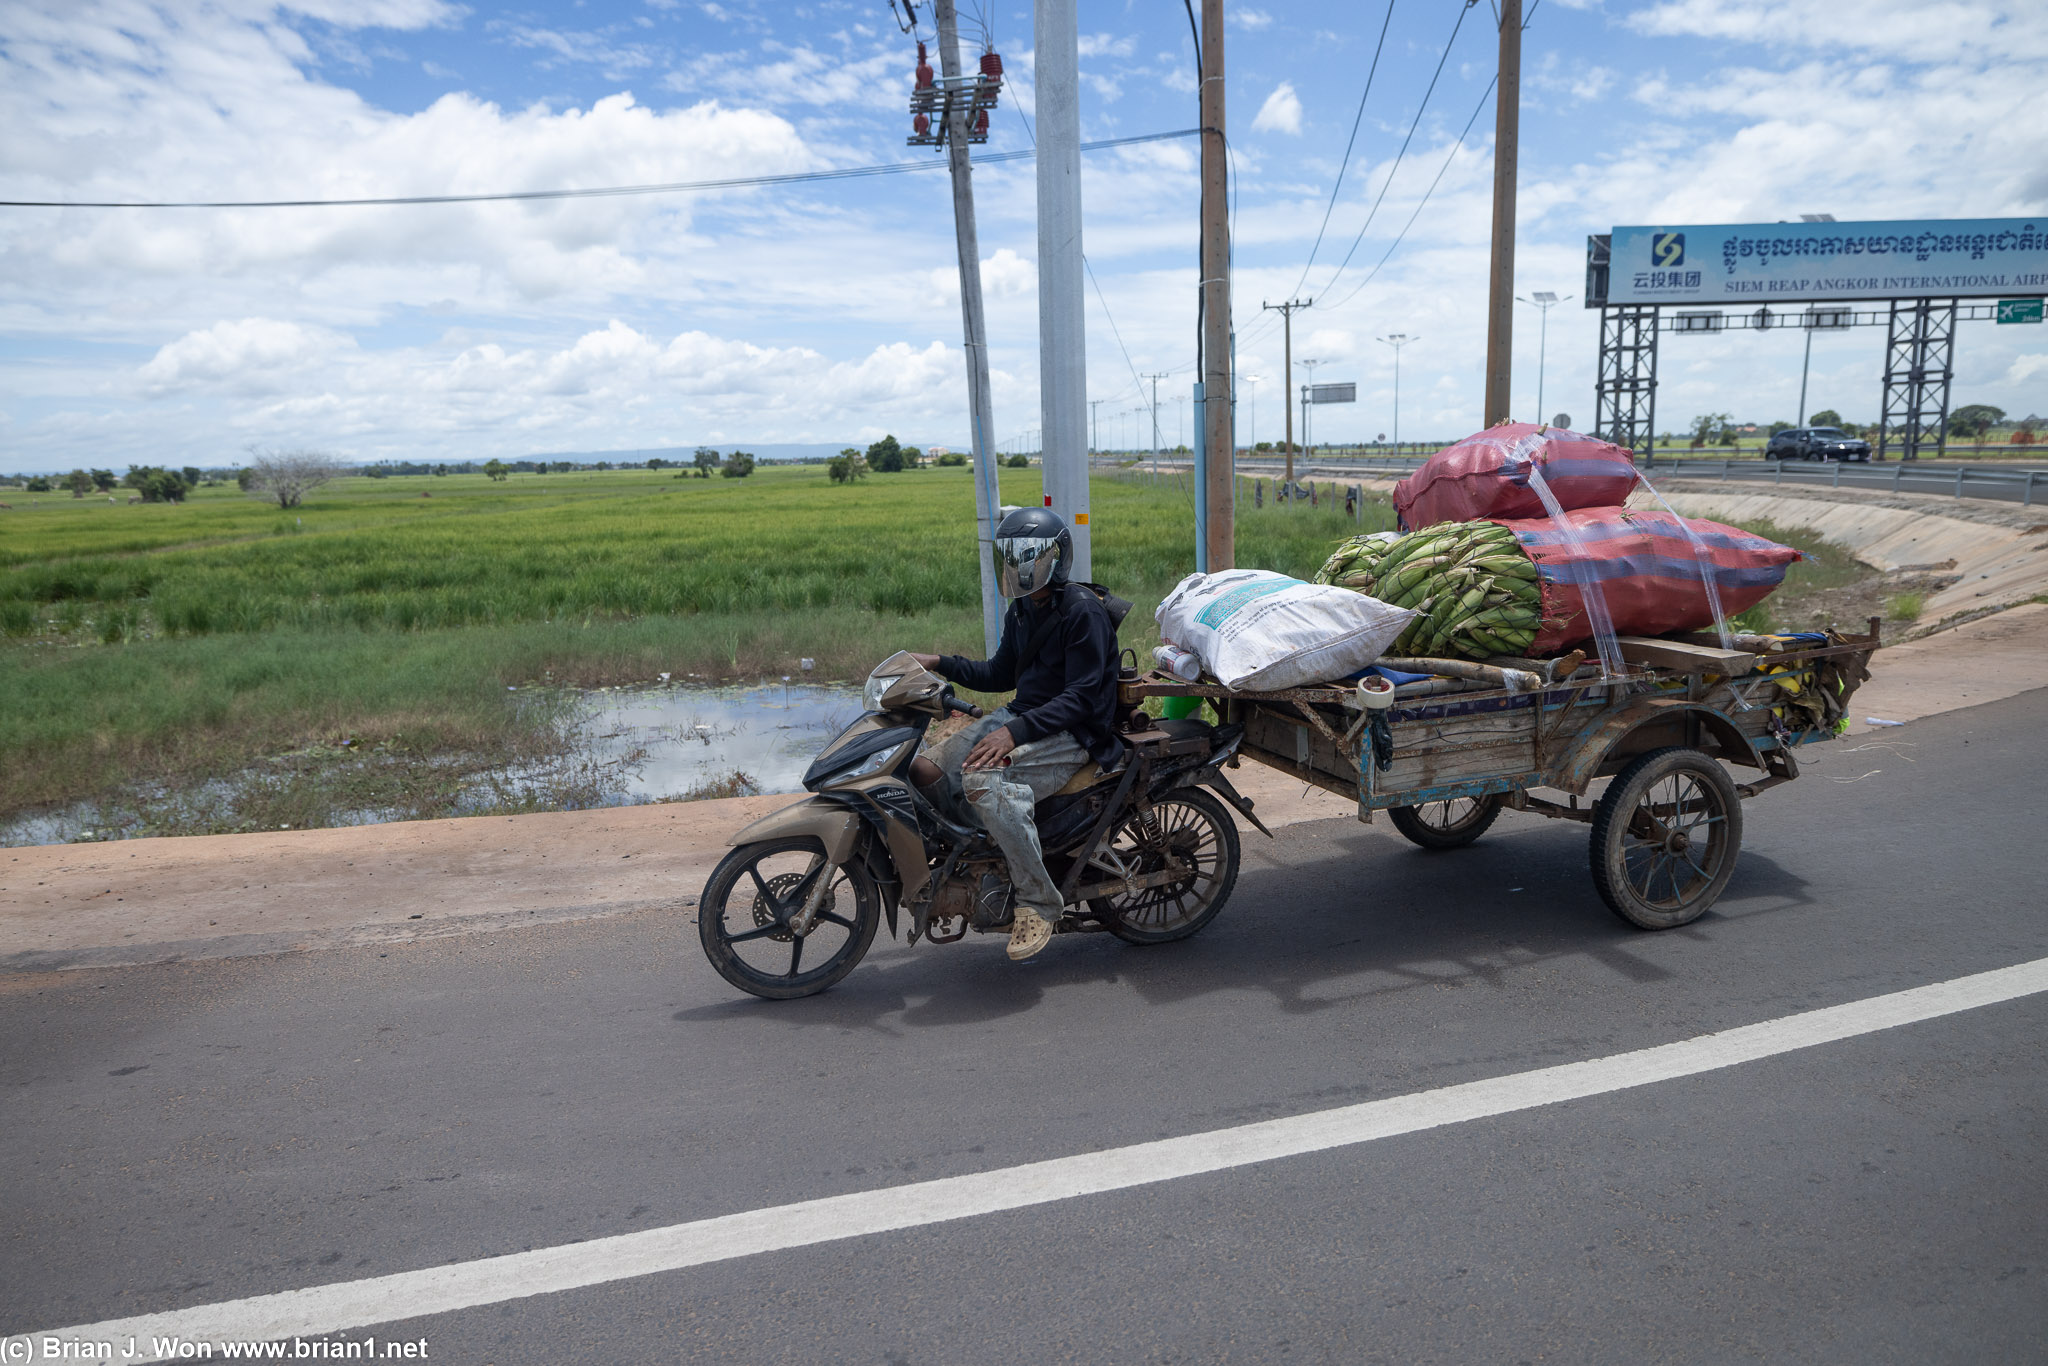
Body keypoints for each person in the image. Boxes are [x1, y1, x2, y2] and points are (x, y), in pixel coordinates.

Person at [906, 508, 1123, 962]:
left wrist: (1012, 733)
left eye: (1028, 557)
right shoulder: (1022, 610)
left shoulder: (1084, 614)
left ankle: (1039, 901)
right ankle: (987, 848)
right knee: (922, 768)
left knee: (985, 780)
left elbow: (1081, 698)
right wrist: (939, 662)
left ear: (1054, 558)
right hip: (1023, 716)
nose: (1019, 568)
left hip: (1073, 732)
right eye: (1011, 557)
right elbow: (1000, 673)